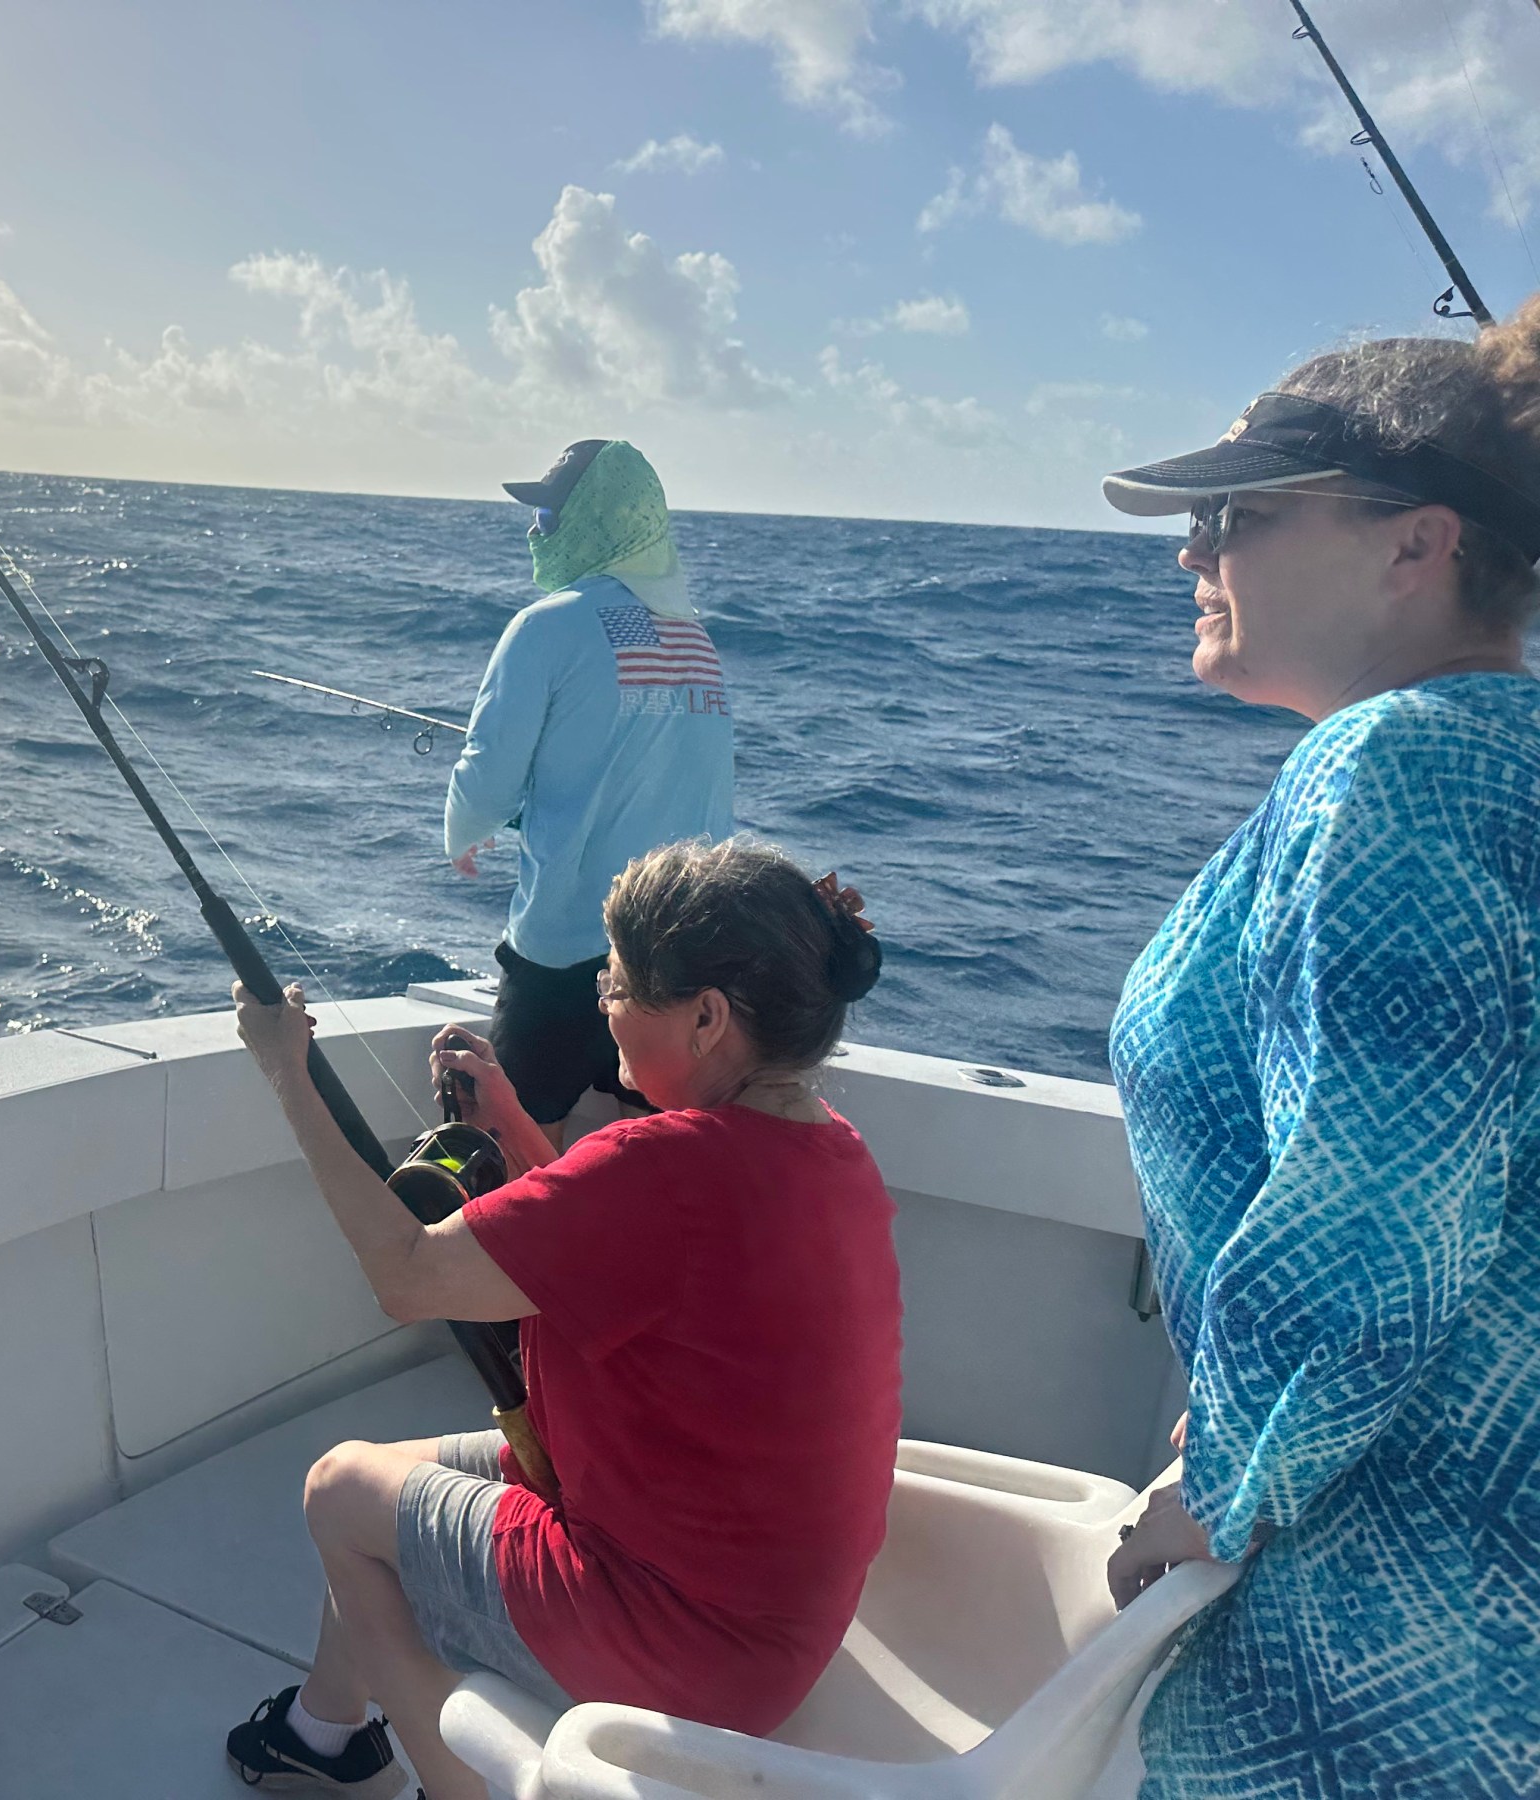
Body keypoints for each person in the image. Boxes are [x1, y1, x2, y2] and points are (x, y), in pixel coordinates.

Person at [1097, 296, 1540, 1797]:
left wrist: (1228, 1480)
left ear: (1418, 545)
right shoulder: (1507, 765)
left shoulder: (1395, 771)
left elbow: (1381, 1213)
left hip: (1392, 1616)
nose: (1190, 550)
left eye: (1235, 512)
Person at [223, 838, 898, 1799]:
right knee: (396, 1482)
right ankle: (324, 1731)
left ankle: (455, 1786)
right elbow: (617, 1253)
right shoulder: (831, 1152)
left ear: (708, 1019)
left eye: (618, 985)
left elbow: (408, 1276)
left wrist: (287, 1071)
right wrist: (505, 1114)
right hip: (767, 1620)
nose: (601, 1005)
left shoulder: (662, 1167)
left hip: (676, 1639)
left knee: (339, 1491)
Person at [446, 440, 734, 1143]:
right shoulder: (694, 639)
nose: (534, 529)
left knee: (503, 1149)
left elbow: (489, 771)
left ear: (598, 520)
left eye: (547, 513)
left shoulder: (547, 625)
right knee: (649, 1167)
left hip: (563, 955)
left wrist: (465, 830)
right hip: (673, 963)